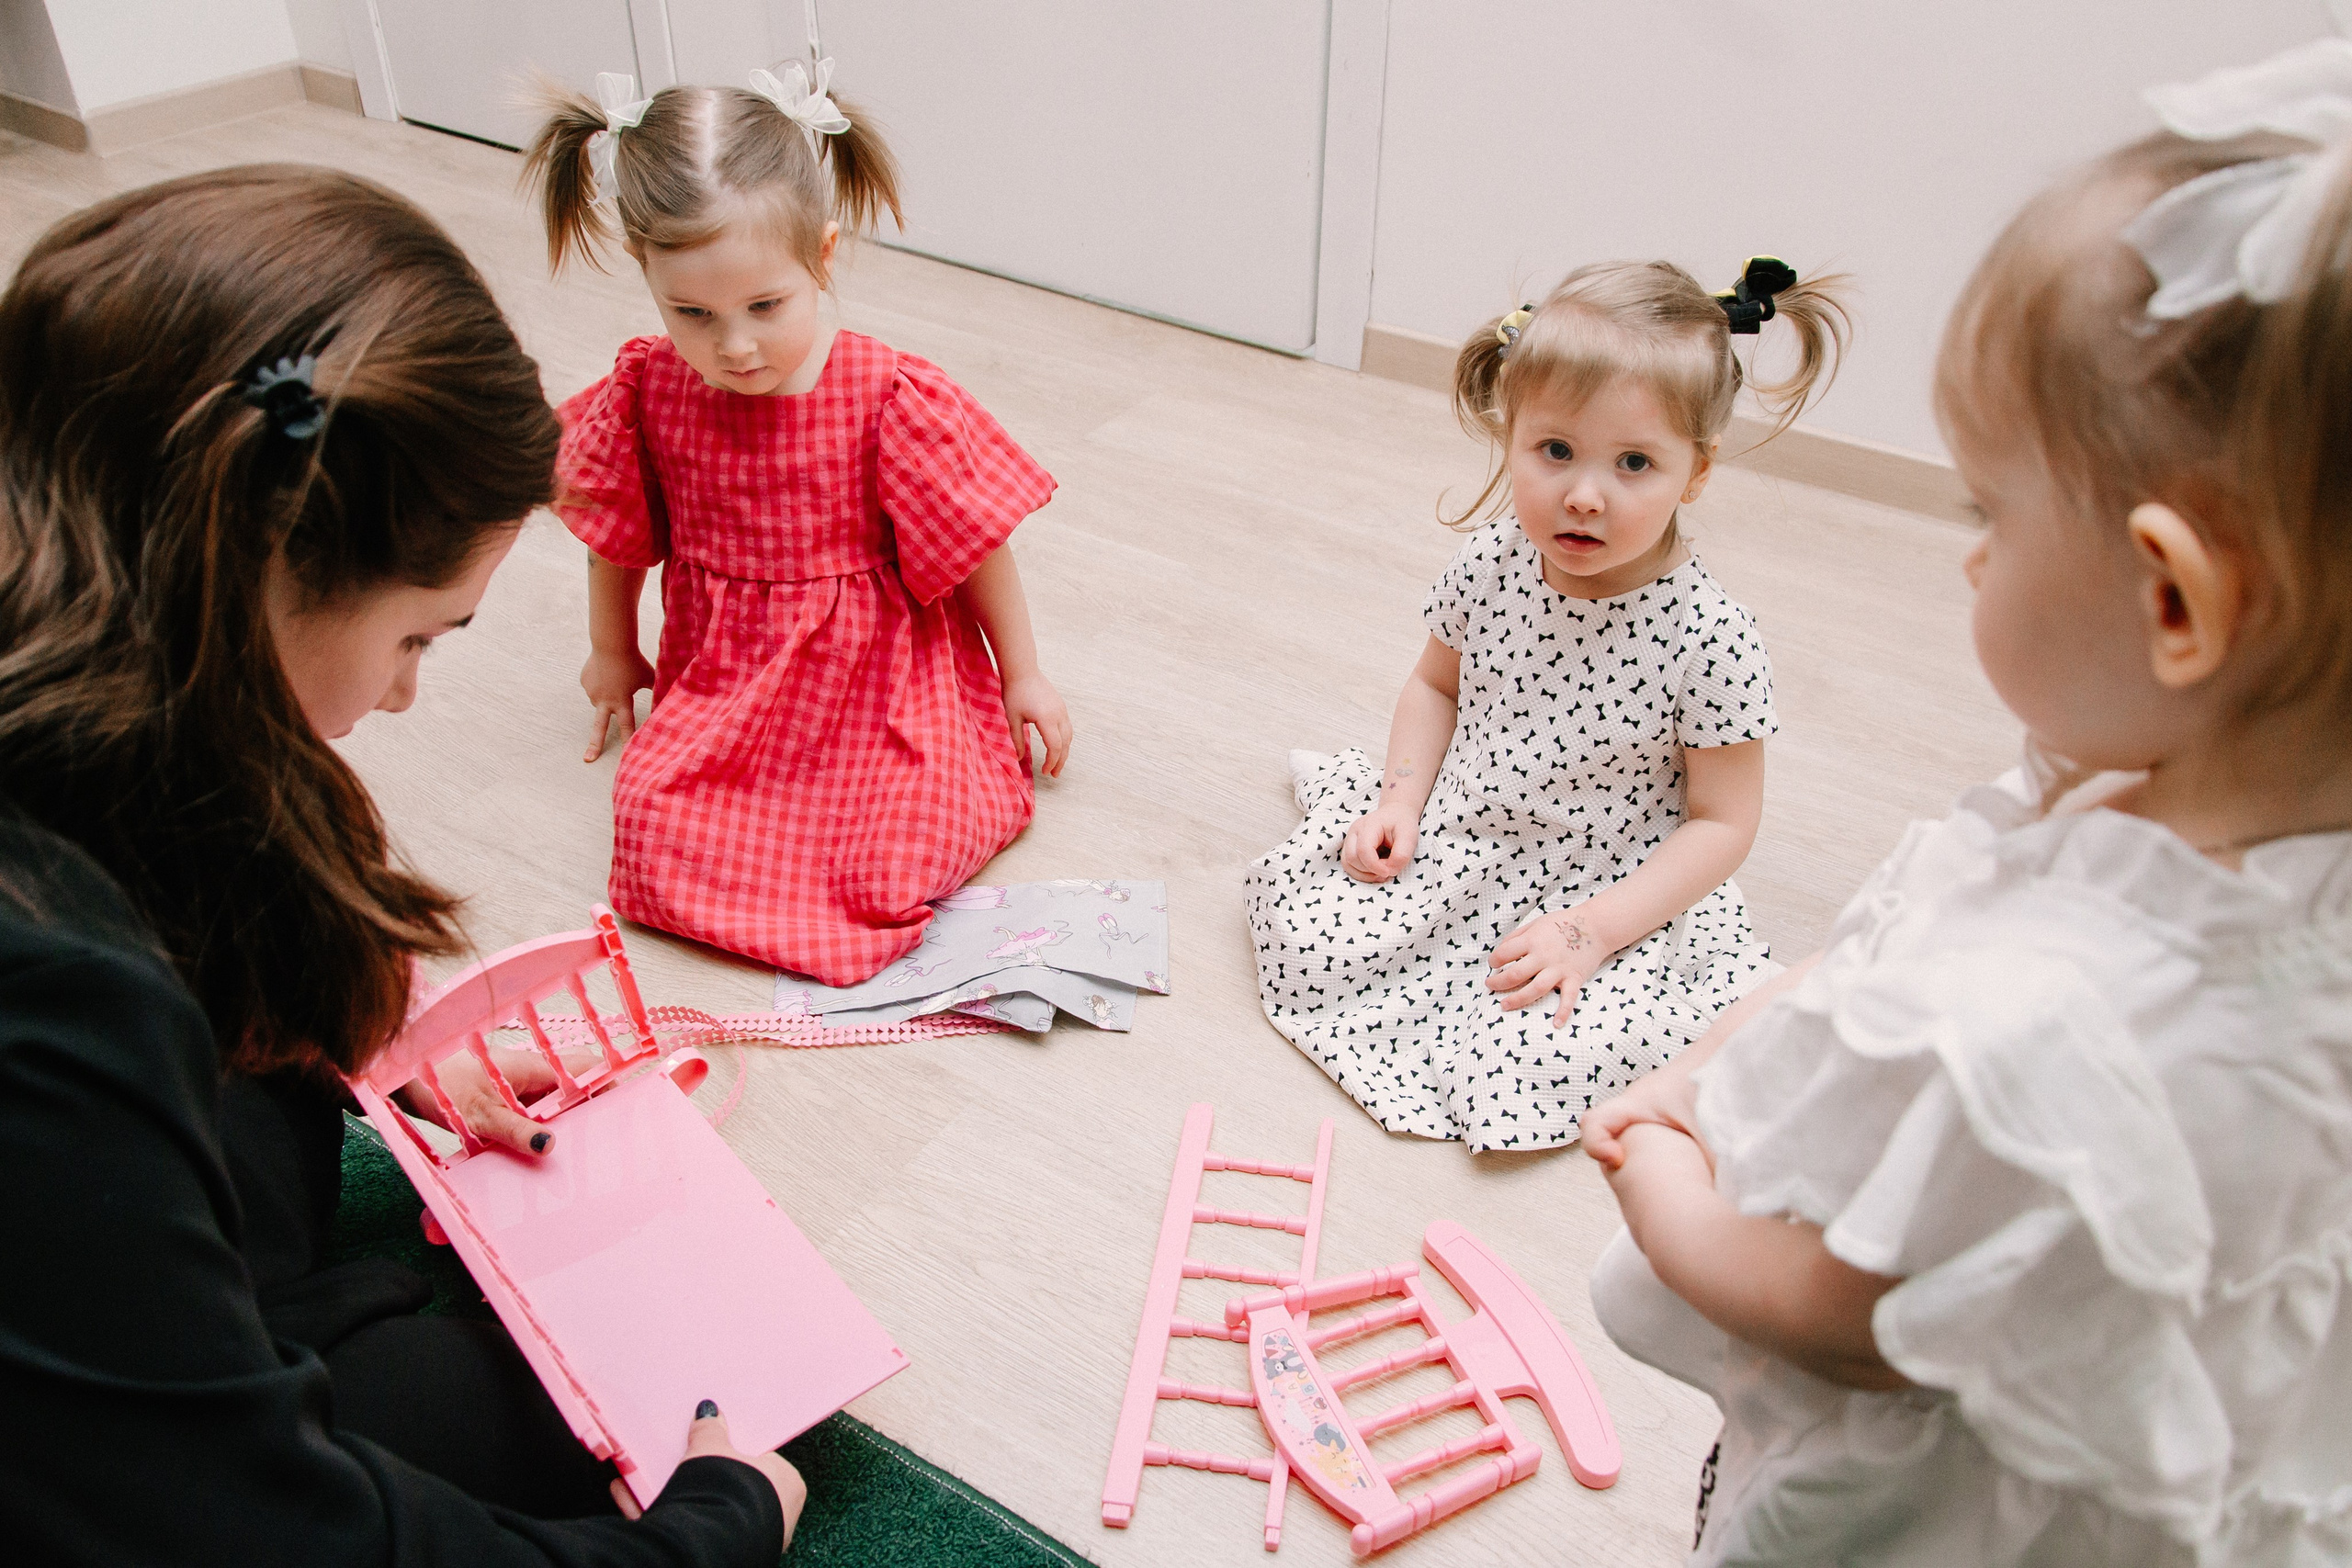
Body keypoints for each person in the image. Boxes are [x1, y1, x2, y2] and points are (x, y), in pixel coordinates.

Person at [1584, 40, 2352, 1565]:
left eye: (1991, 510)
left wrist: (1657, 1160)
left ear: (2177, 605)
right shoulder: (2216, 827)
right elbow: (1915, 944)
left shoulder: (2053, 1029)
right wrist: (1741, 1027)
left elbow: (1836, 1310)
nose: (1971, 557)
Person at [0, 164, 800, 1562]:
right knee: (626, 1402)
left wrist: (380, 1068)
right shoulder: (51, 1002)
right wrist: (707, 1540)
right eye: (420, 634)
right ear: (252, 562)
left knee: (507, 1378)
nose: (407, 694)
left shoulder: (83, 705)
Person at [1245, 258, 1849, 1151]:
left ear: (1695, 472)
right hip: (1471, 834)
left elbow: (1722, 824)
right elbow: (1434, 684)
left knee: (1536, 1052)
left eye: (1635, 462)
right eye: (1555, 450)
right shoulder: (1493, 562)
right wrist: (1400, 800)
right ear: (1513, 435)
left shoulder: (1710, 639)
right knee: (1308, 930)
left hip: (1609, 888)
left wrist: (1589, 932)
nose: (1584, 493)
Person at [523, 66, 1072, 987]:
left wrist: (1024, 675)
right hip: (726, 682)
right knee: (653, 830)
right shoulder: (649, 390)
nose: (733, 347)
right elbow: (616, 534)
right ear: (646, 277)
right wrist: (612, 650)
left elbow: (977, 545)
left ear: (820, 255)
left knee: (899, 843)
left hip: (875, 683)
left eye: (764, 307)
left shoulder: (885, 394)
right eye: (690, 313)